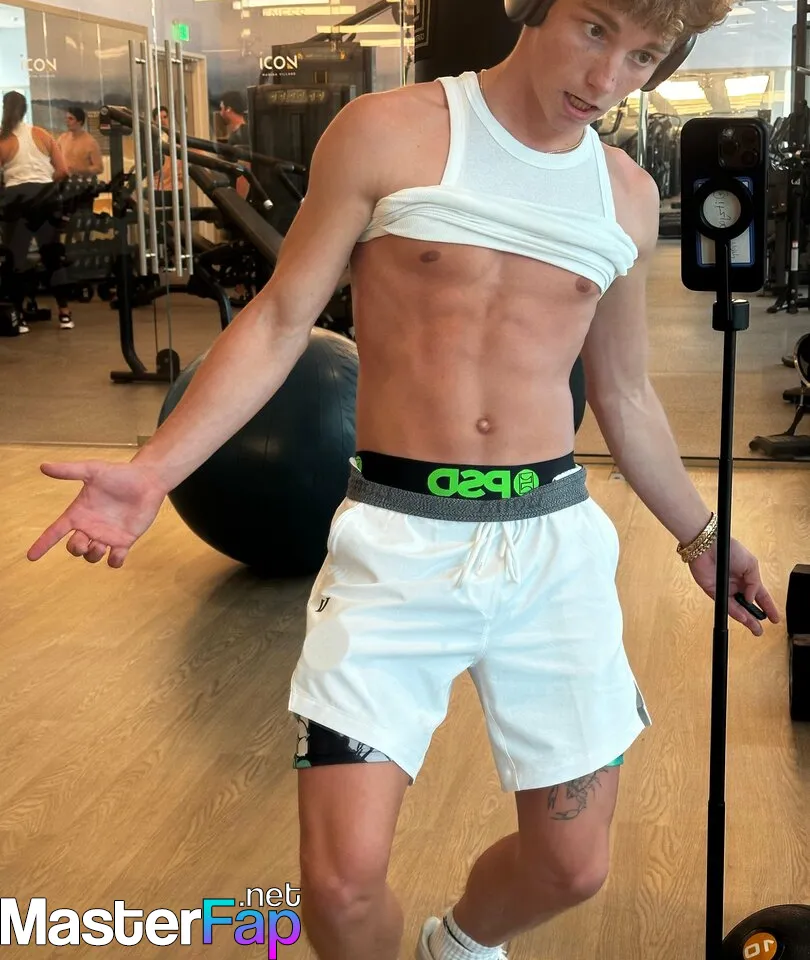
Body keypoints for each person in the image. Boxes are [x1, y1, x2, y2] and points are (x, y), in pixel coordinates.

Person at [27, 1, 781, 958]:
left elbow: (625, 396)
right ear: (532, 6)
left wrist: (702, 537)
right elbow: (281, 319)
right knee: (338, 889)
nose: (607, 78)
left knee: (572, 867)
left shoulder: (624, 194)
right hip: (396, 540)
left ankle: (457, 947)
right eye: (594, 30)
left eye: (643, 56)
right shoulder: (387, 132)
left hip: (553, 547)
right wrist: (152, 471)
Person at [0, 91, 74, 332]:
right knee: (53, 257)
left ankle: (18, 318)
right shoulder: (42, 134)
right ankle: (65, 315)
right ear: (25, 110)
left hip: (16, 200)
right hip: (46, 197)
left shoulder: (2, 139)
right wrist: (44, 183)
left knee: (15, 259)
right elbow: (63, 171)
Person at [57, 106, 103, 178]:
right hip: (65, 181)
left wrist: (80, 171)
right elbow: (55, 159)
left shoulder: (91, 142)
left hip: (84, 182)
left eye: (71, 119)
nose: (67, 121)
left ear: (79, 122)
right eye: (66, 118)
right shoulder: (62, 139)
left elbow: (99, 168)